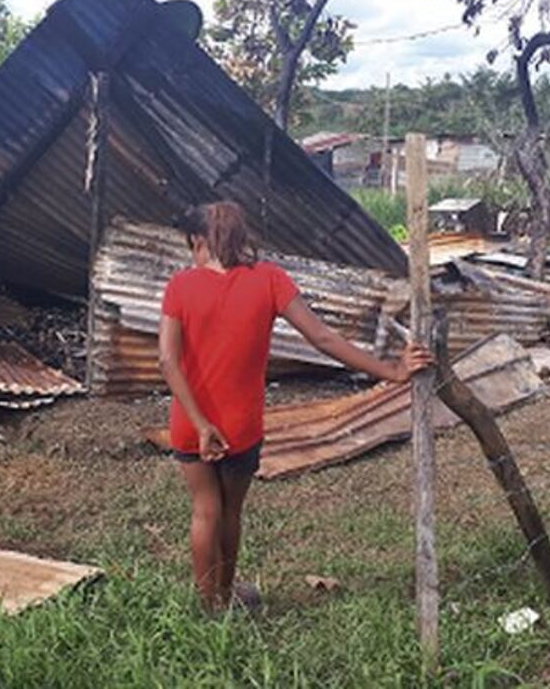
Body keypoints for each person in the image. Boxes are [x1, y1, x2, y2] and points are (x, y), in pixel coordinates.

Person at [158, 201, 434, 612]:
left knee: (204, 511)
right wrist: (391, 371)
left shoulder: (180, 286)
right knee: (230, 511)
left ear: (199, 241)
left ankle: (208, 605)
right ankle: (228, 594)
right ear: (239, 237)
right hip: (240, 425)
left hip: (189, 422)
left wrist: (199, 424)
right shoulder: (270, 280)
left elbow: (166, 360)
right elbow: (323, 338)